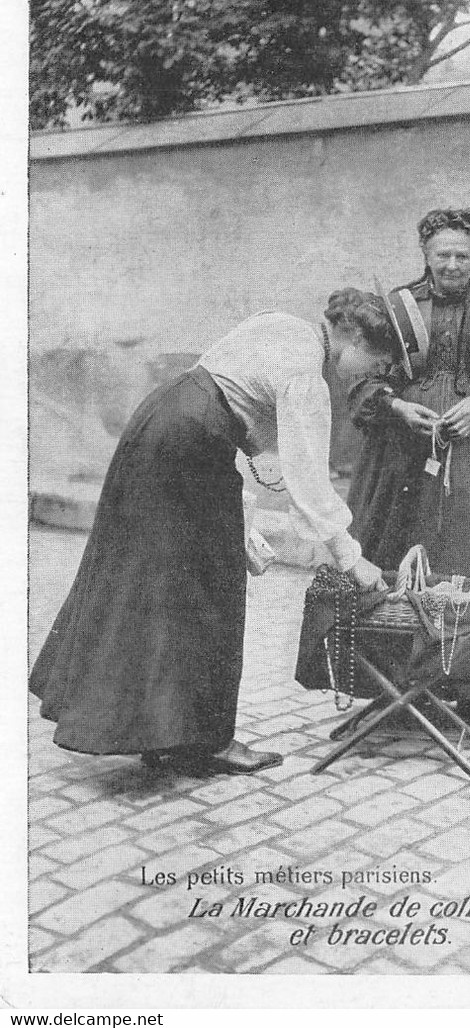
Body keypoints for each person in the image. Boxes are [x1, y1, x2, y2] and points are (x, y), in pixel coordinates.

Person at [30, 289, 399, 776]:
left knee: (153, 580)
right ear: (350, 336)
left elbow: (233, 411)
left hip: (160, 422)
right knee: (213, 587)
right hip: (189, 444)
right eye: (373, 362)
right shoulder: (306, 374)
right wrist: (352, 559)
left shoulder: (282, 324)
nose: (367, 375)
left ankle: (163, 733)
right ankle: (207, 741)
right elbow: (308, 482)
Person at [347, 208, 470, 735]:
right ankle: (388, 686)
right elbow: (359, 382)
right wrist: (395, 406)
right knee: (394, 553)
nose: (452, 264)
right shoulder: (397, 311)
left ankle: (469, 691)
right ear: (425, 255)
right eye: (442, 254)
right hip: (402, 457)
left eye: (463, 255)